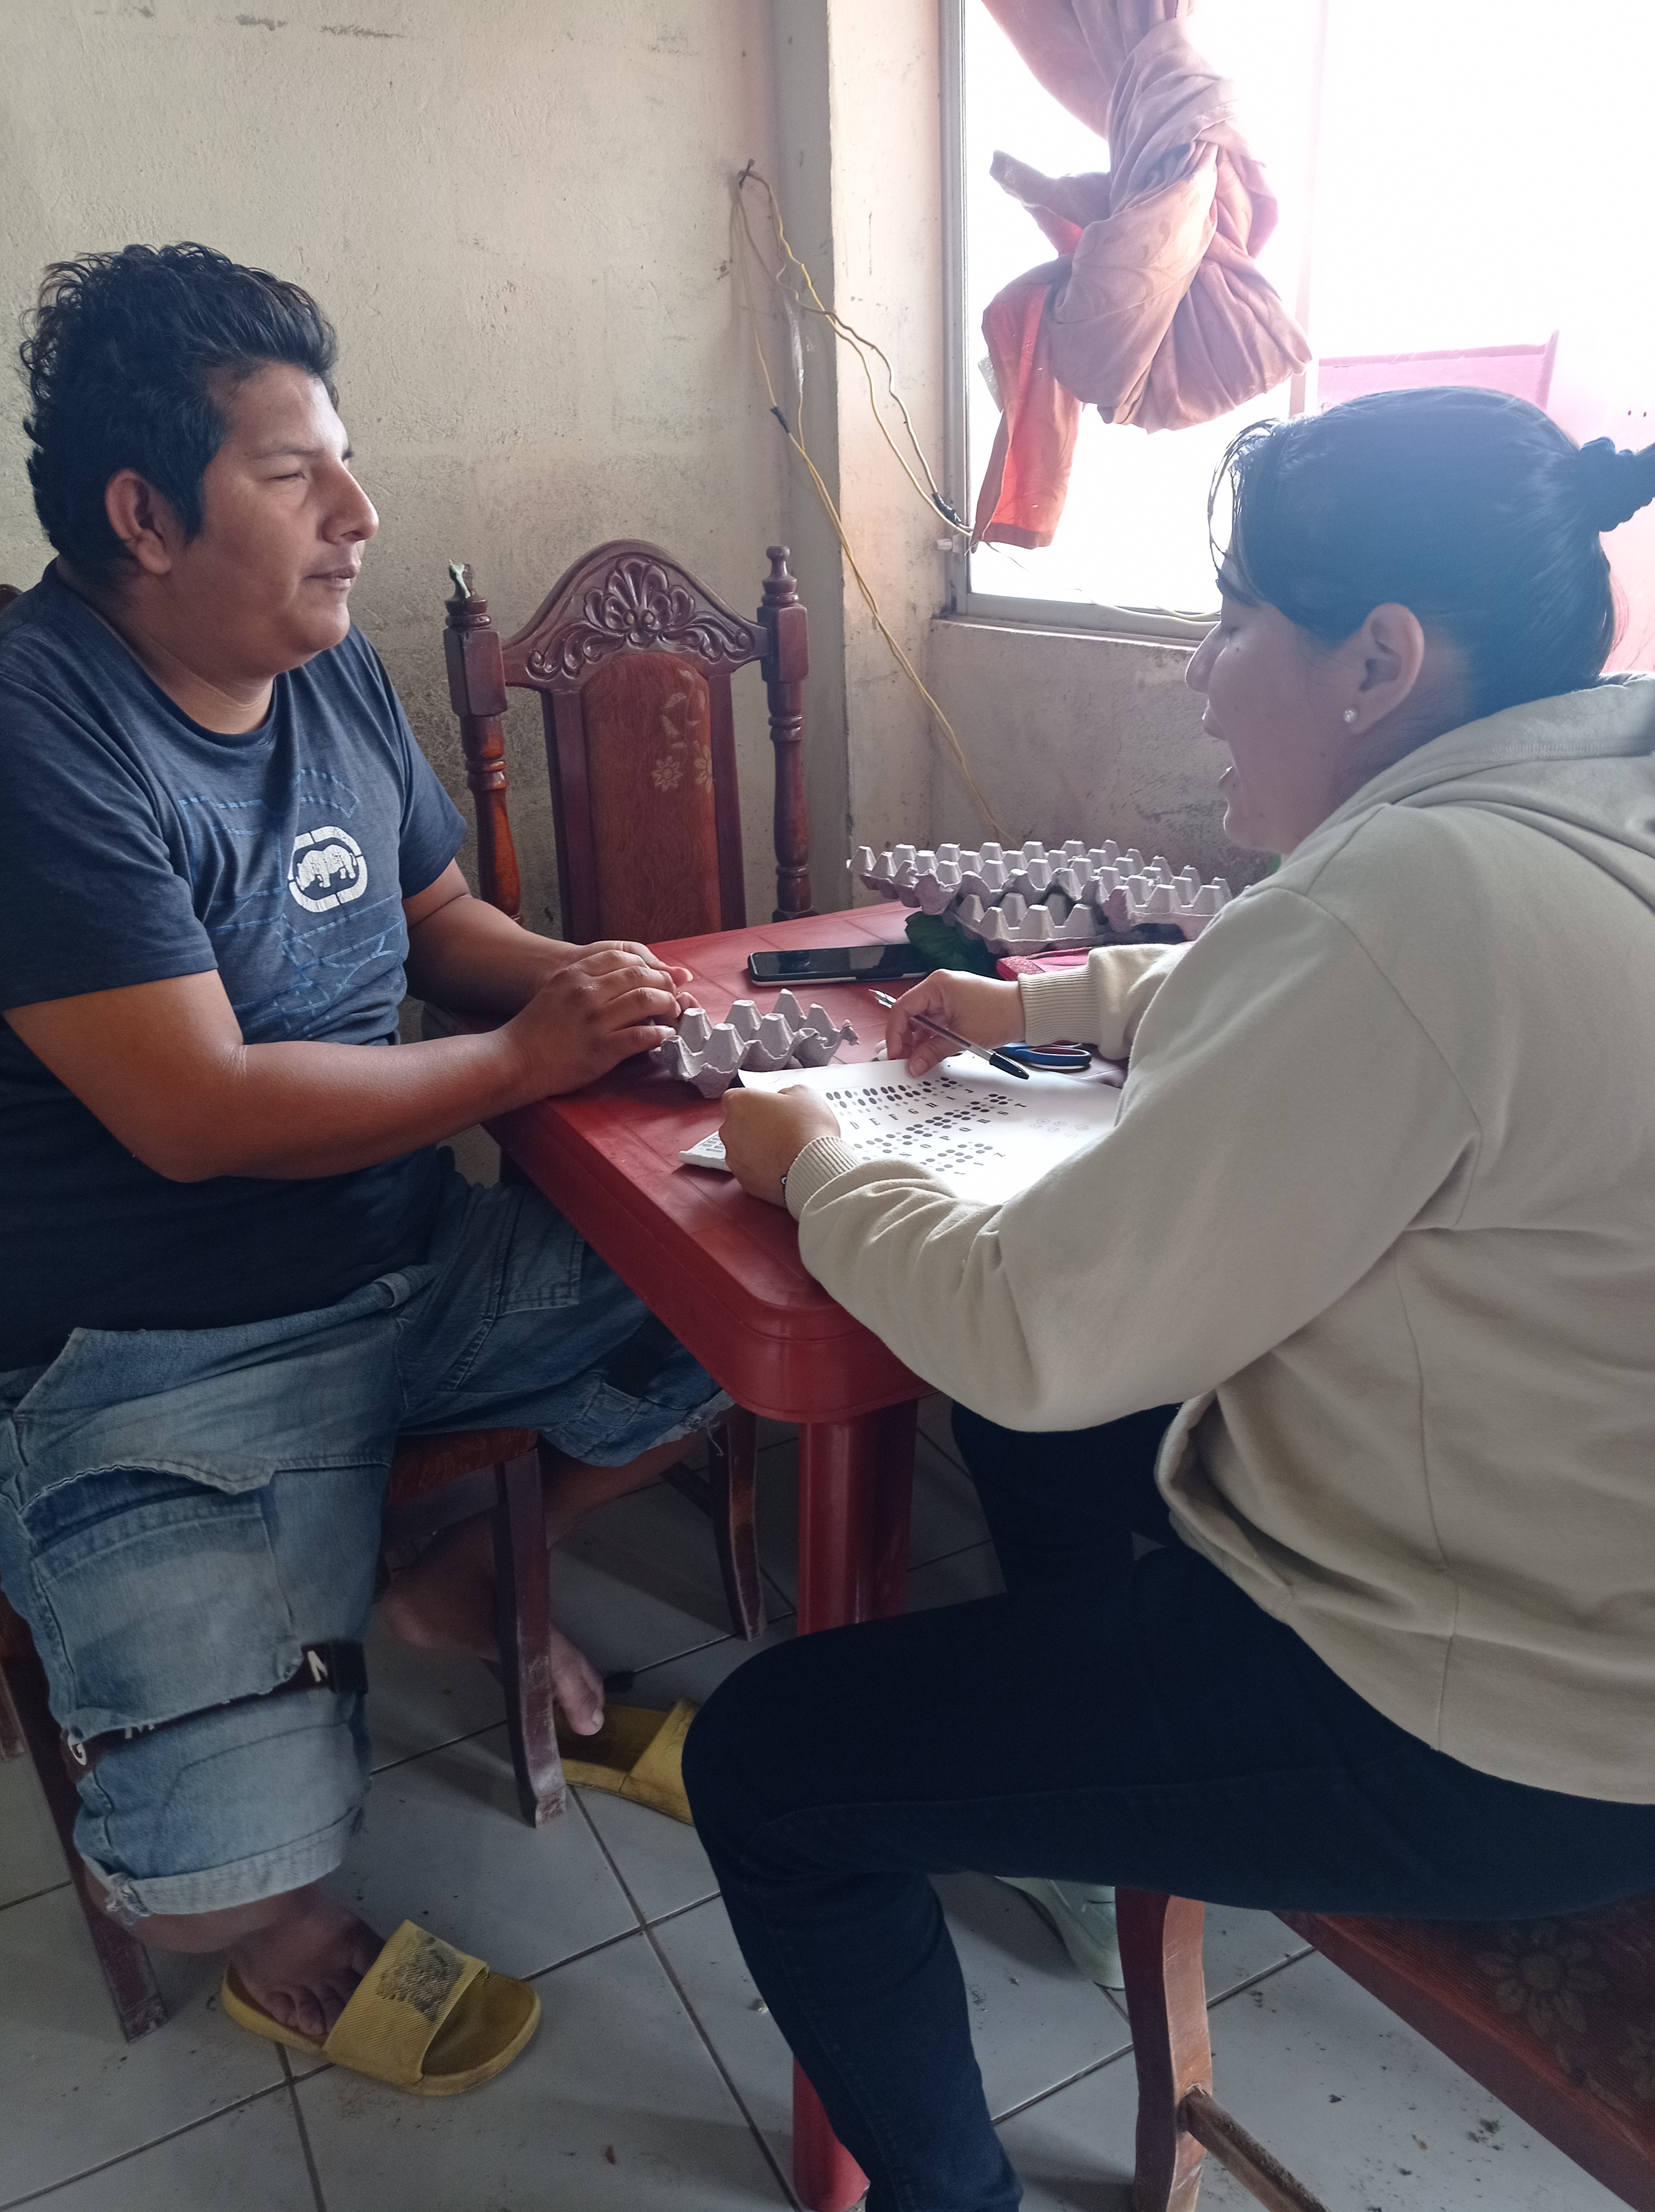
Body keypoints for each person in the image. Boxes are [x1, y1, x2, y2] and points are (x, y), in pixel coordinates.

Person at [694, 387, 1655, 2211]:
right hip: (1584, 1592)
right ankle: (1076, 1796)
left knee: (774, 1763)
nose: (1199, 676)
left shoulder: (1417, 896)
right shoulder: (1589, 800)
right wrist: (1051, 999)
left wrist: (812, 1158)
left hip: (1501, 1727)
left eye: (1232, 618)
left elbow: (1029, 1330)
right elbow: (1301, 989)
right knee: (1052, 1441)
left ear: (1378, 660)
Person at [0, 244, 726, 2074]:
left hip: (413, 1264)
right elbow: (195, 1109)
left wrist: (584, 986)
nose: (358, 514)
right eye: (292, 473)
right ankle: (286, 1885)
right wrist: (516, 1062)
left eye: (347, 461)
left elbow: (442, 920)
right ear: (143, 516)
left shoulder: (320, 674)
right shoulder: (36, 731)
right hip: (164, 1349)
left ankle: (440, 1560)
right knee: (206, 1886)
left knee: (767, 1268)